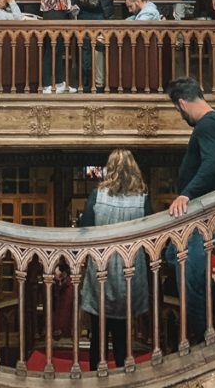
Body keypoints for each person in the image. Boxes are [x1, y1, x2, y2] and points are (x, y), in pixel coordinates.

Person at [165, 77, 215, 339]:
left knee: (190, 275)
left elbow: (211, 165)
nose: (181, 116)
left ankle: (200, 338)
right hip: (211, 209)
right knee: (170, 256)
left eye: (178, 111)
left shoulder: (206, 126)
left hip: (204, 213)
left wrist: (186, 195)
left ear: (181, 104)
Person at [80, 149, 151, 370]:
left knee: (97, 338)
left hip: (101, 272)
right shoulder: (142, 201)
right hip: (130, 274)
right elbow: (150, 237)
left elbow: (85, 230)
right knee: (122, 338)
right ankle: (122, 377)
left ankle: (94, 380)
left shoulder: (96, 197)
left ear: (110, 170)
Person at [39, 0, 78, 92]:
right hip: (52, 14)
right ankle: (47, 84)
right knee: (52, 48)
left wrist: (70, 6)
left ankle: (60, 82)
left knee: (60, 48)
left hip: (61, 13)